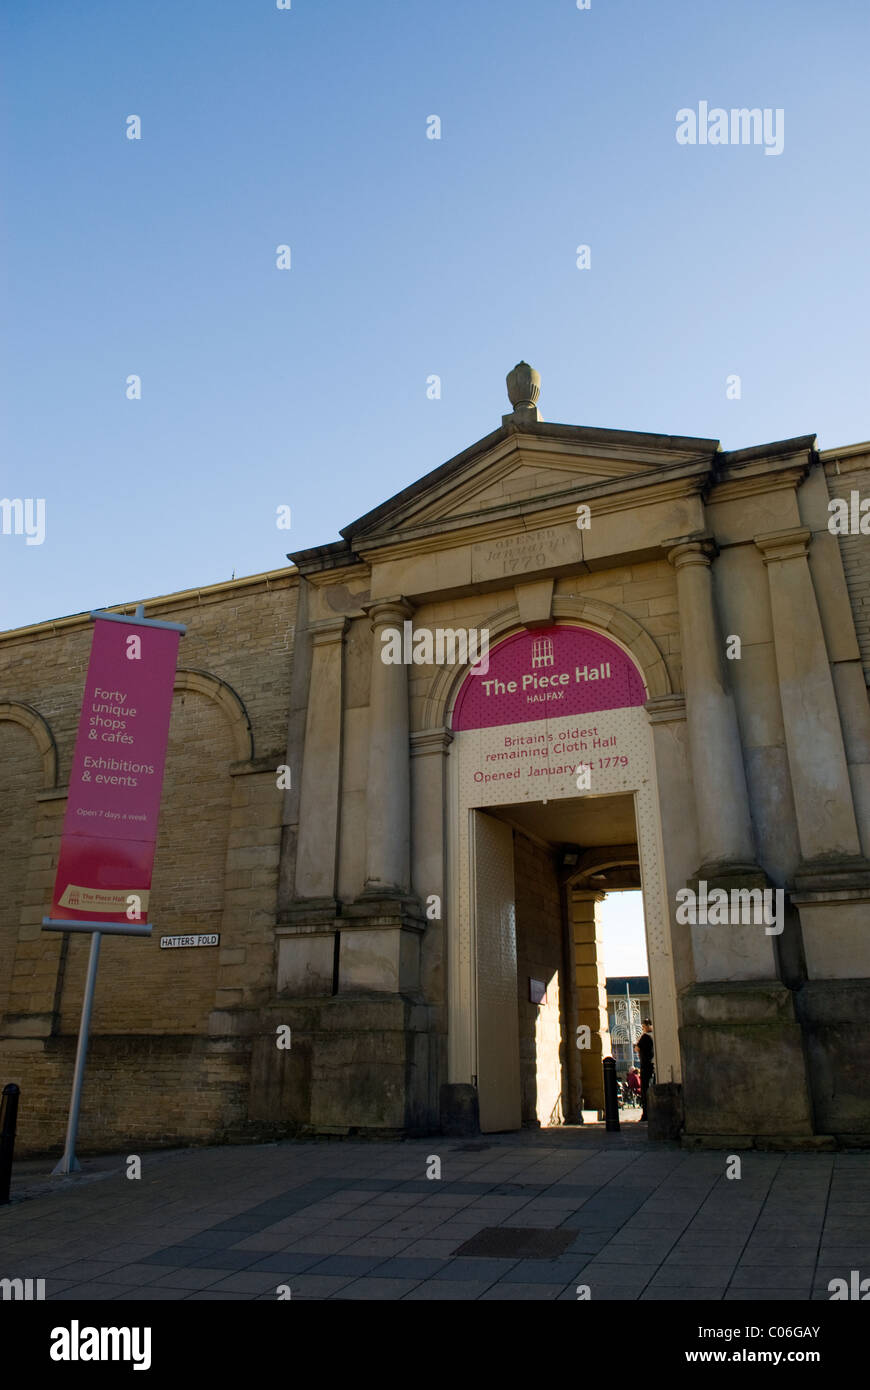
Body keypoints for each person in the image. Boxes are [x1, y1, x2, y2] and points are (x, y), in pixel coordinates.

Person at [636, 1019, 654, 1120]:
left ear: (646, 1026)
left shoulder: (645, 1037)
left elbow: (637, 1048)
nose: (643, 1028)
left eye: (643, 1027)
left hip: (645, 1066)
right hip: (653, 1065)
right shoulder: (654, 1036)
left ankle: (646, 1114)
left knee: (645, 1091)